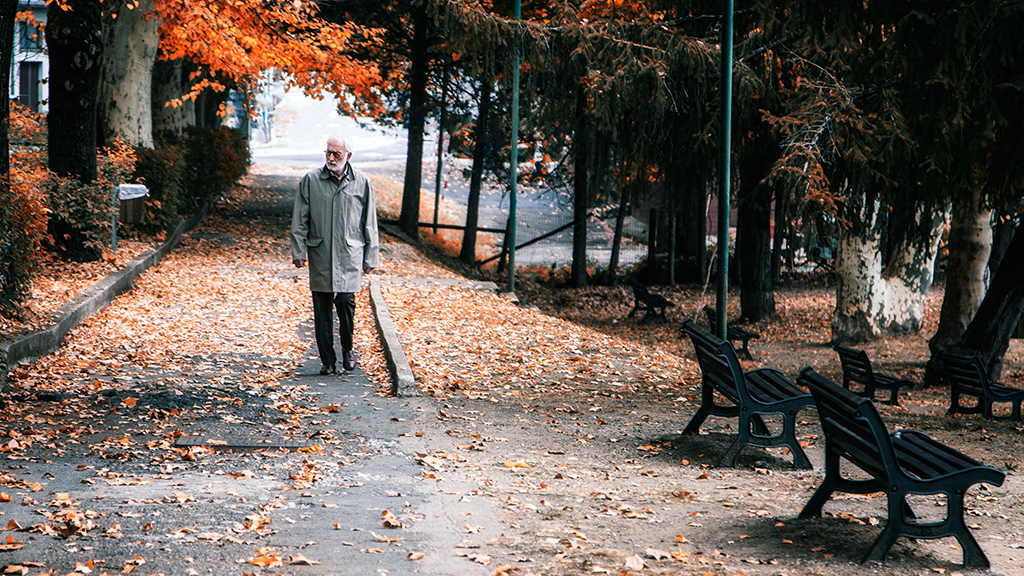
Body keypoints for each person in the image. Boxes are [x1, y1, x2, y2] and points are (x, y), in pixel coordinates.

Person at [290, 136, 379, 375]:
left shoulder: (362, 182)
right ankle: (327, 360)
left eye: (336, 154)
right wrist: (298, 250)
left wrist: (371, 257)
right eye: (328, 153)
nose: (331, 158)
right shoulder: (311, 180)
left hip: (350, 253)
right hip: (320, 252)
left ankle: (348, 349)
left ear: (348, 155)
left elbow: (369, 222)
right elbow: (300, 219)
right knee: (322, 308)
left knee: (345, 301)